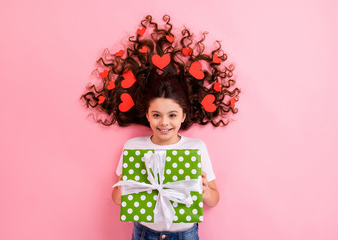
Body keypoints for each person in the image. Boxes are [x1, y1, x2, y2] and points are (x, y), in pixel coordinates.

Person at [80, 15, 240, 240]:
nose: (164, 122)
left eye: (172, 115)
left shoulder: (196, 148)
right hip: (145, 232)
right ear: (147, 116)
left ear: (183, 116)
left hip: (185, 233)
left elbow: (214, 200)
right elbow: (117, 199)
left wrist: (204, 190)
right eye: (156, 115)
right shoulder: (134, 147)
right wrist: (127, 184)